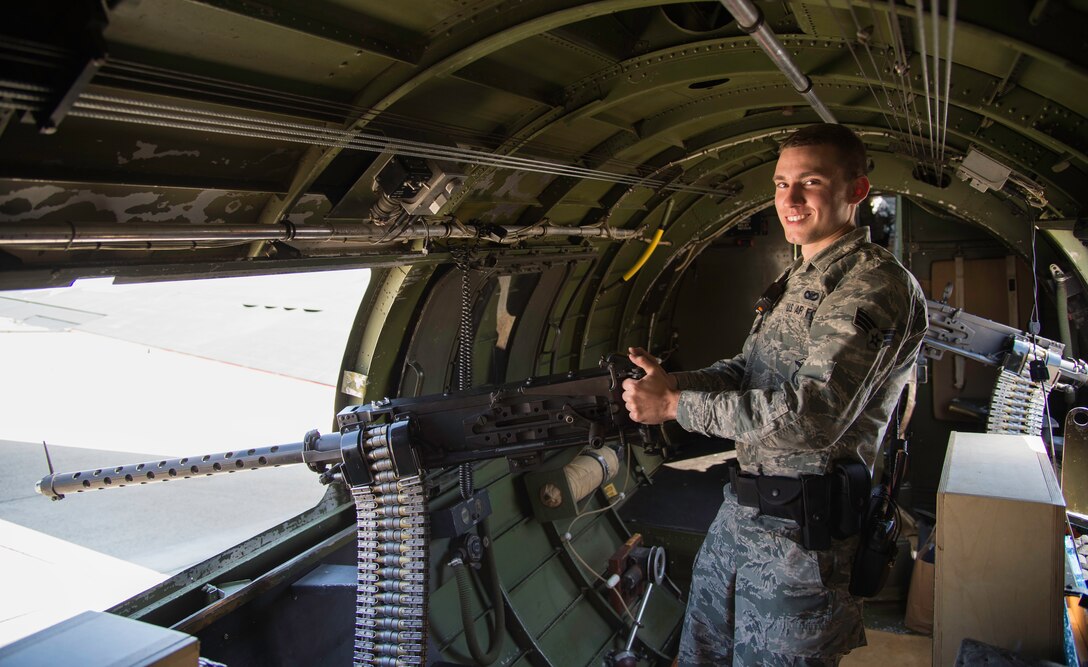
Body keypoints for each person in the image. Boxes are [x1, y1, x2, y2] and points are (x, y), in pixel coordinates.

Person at [621, 123, 928, 666]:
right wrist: (674, 383)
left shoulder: (872, 284)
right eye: (782, 184)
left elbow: (813, 419)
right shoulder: (798, 276)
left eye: (810, 182)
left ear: (856, 190)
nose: (790, 199)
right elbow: (748, 371)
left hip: (803, 542)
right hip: (742, 515)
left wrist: (673, 407)